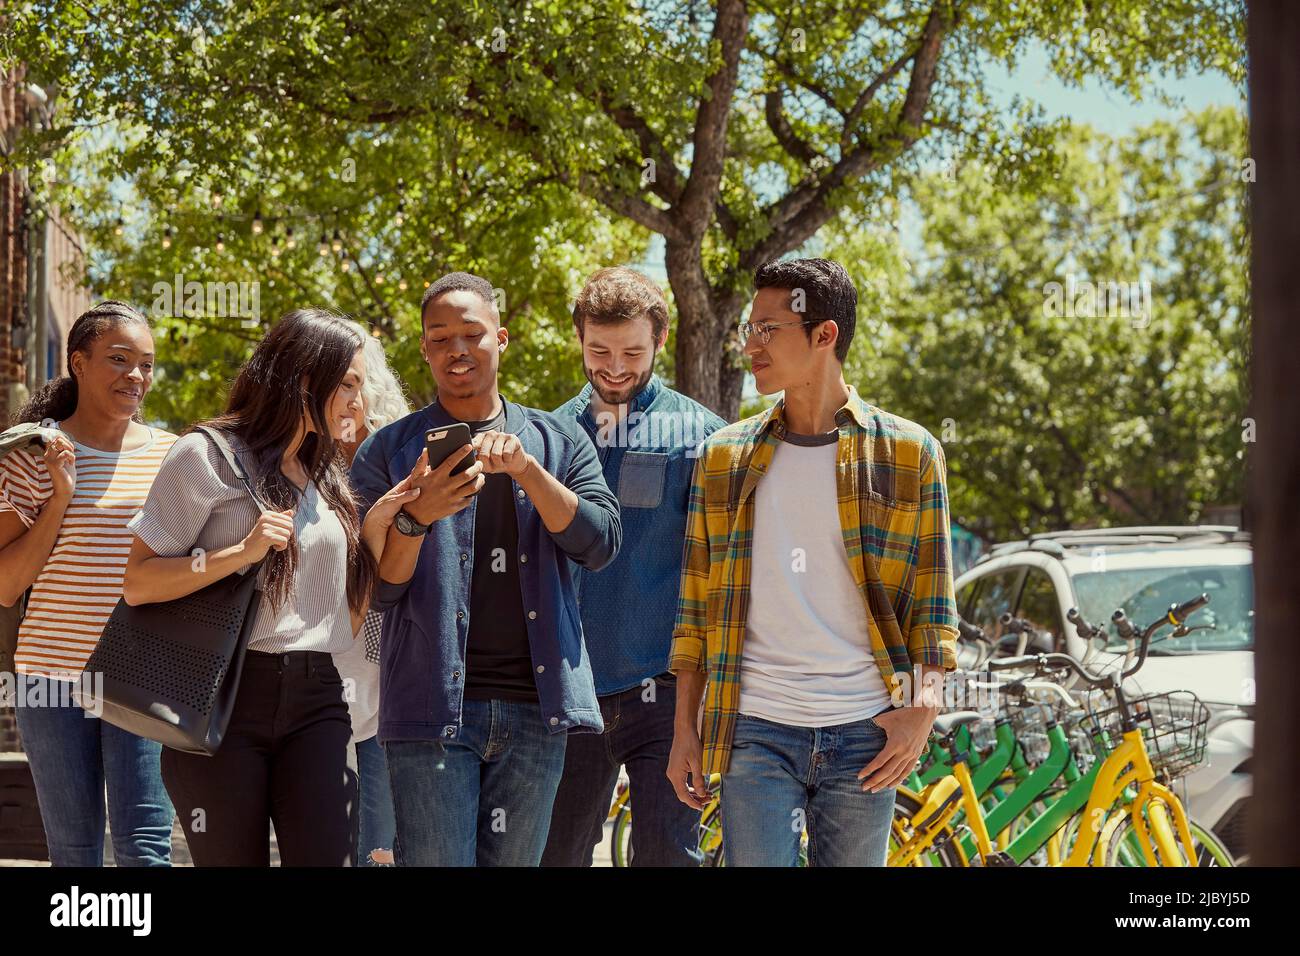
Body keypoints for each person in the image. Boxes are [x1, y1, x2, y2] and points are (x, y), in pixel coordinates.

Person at [666, 258, 959, 867]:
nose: (750, 344)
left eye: (767, 329)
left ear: (824, 335)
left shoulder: (910, 452)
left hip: (866, 732)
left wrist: (922, 712)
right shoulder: (723, 457)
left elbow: (933, 608)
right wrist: (684, 729)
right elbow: (695, 607)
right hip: (755, 730)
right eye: (749, 329)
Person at [122, 309, 417, 866]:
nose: (360, 401)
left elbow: (344, 620)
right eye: (348, 384)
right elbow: (138, 583)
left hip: (319, 696)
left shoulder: (326, 472)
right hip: (225, 699)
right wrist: (241, 552)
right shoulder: (205, 456)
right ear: (307, 379)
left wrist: (382, 524)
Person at [349, 271, 621, 867]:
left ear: (502, 337)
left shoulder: (560, 440)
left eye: (472, 333)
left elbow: (599, 545)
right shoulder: (388, 452)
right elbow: (379, 590)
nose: (457, 349)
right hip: (429, 712)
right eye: (440, 338)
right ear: (424, 349)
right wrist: (417, 516)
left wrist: (528, 473)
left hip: (536, 710)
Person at [543, 267, 725, 867]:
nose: (614, 367)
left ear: (660, 342)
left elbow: (721, 571)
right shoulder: (548, 437)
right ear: (578, 340)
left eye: (632, 352)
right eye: (599, 350)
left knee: (669, 857)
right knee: (555, 854)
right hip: (571, 693)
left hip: (668, 696)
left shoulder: (704, 438)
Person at [0, 300, 176, 866]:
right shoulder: (32, 455)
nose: (137, 376)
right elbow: (6, 587)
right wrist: (62, 497)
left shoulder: (175, 456)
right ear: (78, 361)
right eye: (119, 359)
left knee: (145, 846)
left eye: (146, 364)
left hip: (143, 674)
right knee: (73, 851)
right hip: (48, 678)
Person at [334, 320, 411, 867]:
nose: (345, 398)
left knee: (381, 849)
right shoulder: (293, 468)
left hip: (389, 687)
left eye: (352, 383)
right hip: (315, 682)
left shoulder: (399, 462)